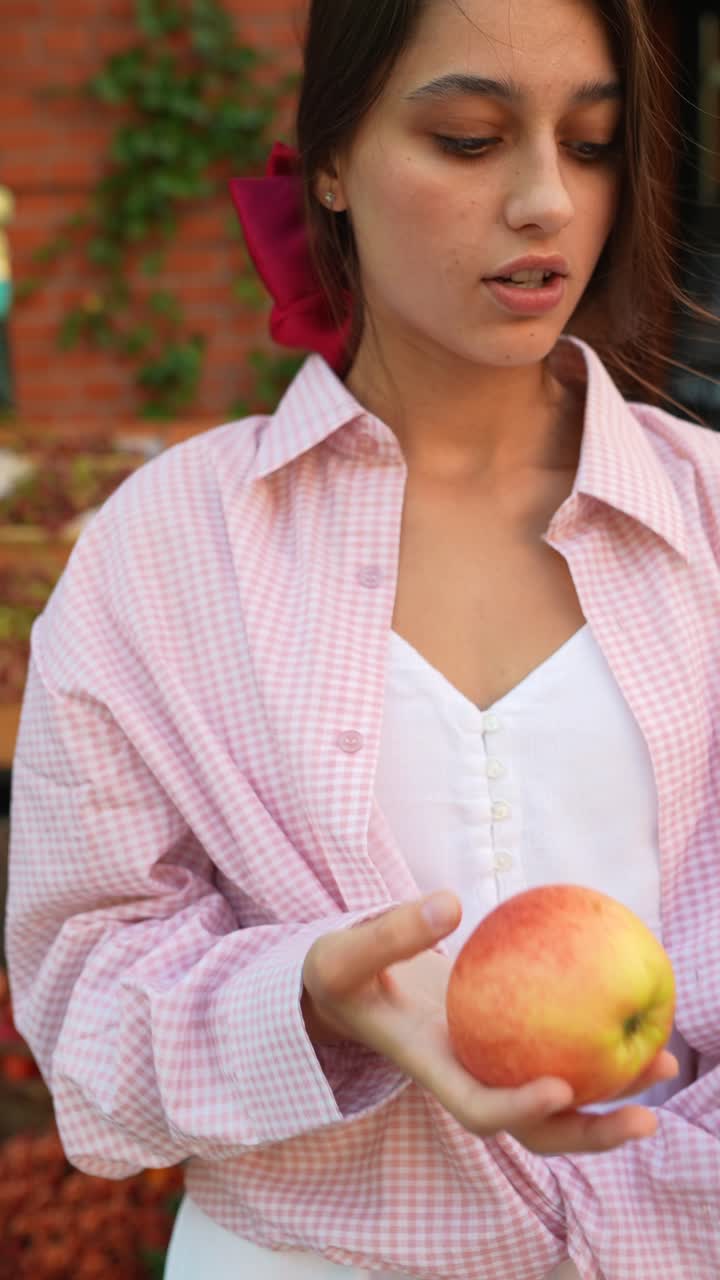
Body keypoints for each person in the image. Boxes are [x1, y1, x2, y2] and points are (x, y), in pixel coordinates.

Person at [5, 0, 720, 1276]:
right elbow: (81, 1002)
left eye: (593, 143)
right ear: (329, 161)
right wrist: (308, 996)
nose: (548, 200)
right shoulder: (168, 551)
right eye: (469, 138)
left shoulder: (709, 517)